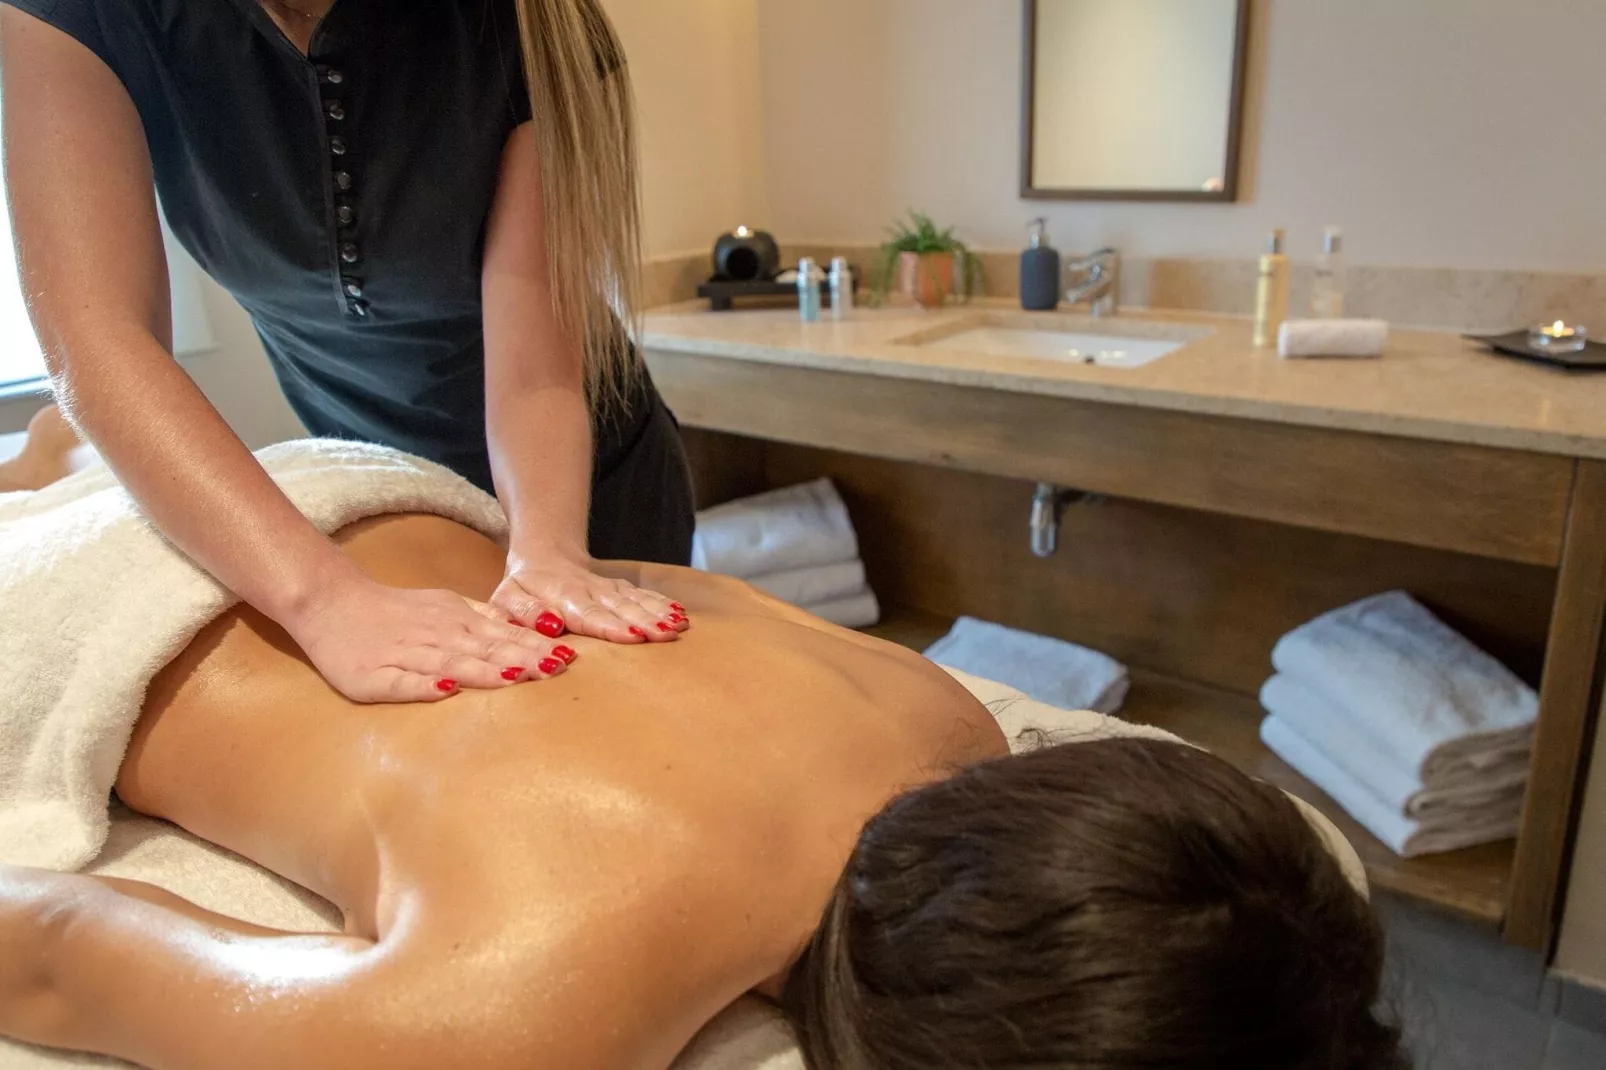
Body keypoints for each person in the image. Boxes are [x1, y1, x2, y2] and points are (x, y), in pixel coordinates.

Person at [0, 423, 1407, 1070]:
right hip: (108, 605)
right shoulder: (520, 1009)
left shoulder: (942, 719)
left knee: (62, 479)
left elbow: (682, 595)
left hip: (338, 476)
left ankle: (56, 464)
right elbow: (54, 946)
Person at [0, 0, 693, 705]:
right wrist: (322, 599)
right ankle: (49, 452)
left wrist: (549, 555)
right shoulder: (86, 15)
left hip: (577, 485)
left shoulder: (532, 26)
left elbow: (534, 374)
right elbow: (99, 341)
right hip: (376, 491)